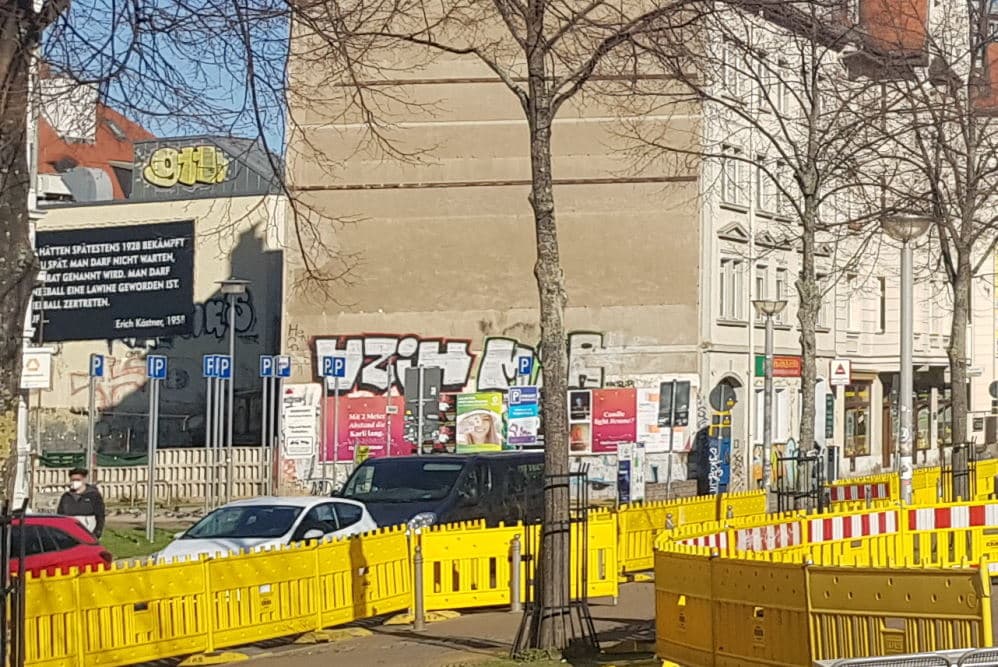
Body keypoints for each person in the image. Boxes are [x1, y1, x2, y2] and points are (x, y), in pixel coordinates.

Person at [57, 468, 106, 539]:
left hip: (89, 533)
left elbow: (100, 515)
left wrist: (97, 533)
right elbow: (60, 516)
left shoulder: (94, 495)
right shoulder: (66, 497)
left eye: (77, 480)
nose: (74, 482)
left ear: (84, 480)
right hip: (70, 534)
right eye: (72, 480)